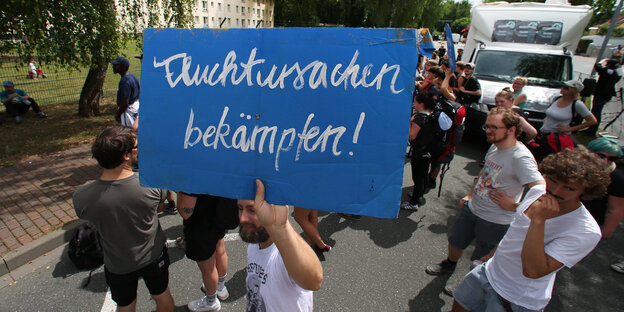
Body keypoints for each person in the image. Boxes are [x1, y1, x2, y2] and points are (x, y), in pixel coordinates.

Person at [451, 148, 608, 312]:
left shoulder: (585, 230)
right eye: (553, 181)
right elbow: (515, 231)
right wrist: (489, 258)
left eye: (569, 188)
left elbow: (532, 270)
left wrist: (539, 221)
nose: (555, 191)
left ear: (586, 191)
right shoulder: (537, 191)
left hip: (515, 300)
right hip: (486, 274)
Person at [425, 107, 544, 285]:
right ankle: (449, 264)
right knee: (456, 241)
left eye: (494, 127)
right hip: (473, 208)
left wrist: (515, 206)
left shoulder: (521, 157)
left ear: (511, 130)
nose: (488, 131)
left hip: (495, 220)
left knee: (481, 257)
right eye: (487, 126)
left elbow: (540, 188)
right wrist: (469, 195)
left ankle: (470, 284)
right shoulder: (495, 146)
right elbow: (484, 172)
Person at [72, 126, 174, 312]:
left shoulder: (81, 198)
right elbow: (159, 207)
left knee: (125, 304)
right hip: (152, 256)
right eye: (136, 147)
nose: (139, 149)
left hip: (117, 264)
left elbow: (88, 216)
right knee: (161, 295)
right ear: (126, 156)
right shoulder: (151, 184)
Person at [238, 180, 323, 311]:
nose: (243, 218)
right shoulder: (255, 244)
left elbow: (314, 281)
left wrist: (280, 227)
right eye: (240, 208)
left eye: (253, 210)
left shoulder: (284, 253)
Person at [177, 193, 236, 312]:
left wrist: (179, 192)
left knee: (207, 267)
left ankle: (211, 302)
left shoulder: (196, 175)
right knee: (220, 249)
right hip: (219, 214)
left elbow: (185, 211)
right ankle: (220, 287)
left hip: (200, 223)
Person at [582, 137, 624, 240]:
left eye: (612, 158)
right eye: (601, 156)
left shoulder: (616, 178)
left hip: (587, 223)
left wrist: (605, 232)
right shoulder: (575, 167)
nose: (605, 161)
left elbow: (615, 208)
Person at [402, 93, 437, 211]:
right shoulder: (431, 116)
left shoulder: (418, 118)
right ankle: (420, 195)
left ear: (421, 104)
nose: (414, 104)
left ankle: (413, 203)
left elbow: (411, 136)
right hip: (428, 152)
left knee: (417, 178)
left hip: (419, 152)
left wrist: (409, 123)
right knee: (423, 175)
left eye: (415, 102)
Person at [585, 59, 621, 137]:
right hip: (606, 95)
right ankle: (592, 128)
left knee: (595, 112)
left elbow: (597, 66)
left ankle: (592, 129)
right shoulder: (616, 75)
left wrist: (603, 60)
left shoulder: (605, 72)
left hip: (600, 94)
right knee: (597, 111)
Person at [111, 56, 140, 128]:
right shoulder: (133, 76)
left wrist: (118, 114)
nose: (113, 67)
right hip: (135, 106)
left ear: (123, 67)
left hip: (127, 111)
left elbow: (124, 103)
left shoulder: (124, 81)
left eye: (116, 65)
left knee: (128, 132)